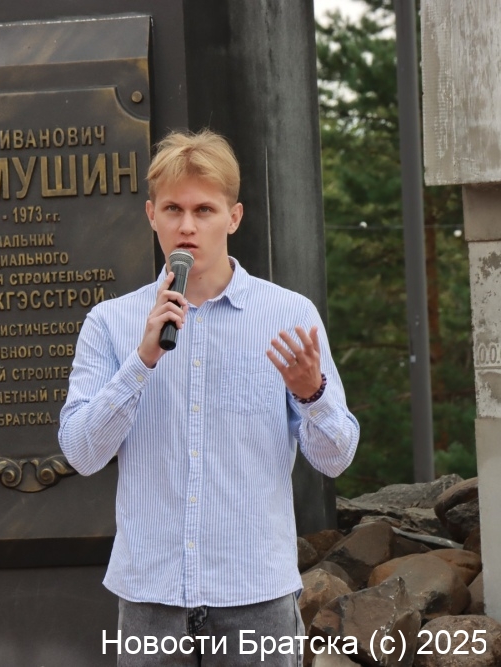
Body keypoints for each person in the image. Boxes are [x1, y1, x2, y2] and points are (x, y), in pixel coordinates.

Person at [58, 130, 359, 666]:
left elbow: (335, 457)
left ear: (233, 217)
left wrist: (311, 394)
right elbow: (81, 454)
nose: (187, 226)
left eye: (204, 209)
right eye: (173, 209)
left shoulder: (288, 315)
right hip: (150, 598)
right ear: (151, 215)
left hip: (256, 596)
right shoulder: (111, 323)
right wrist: (142, 361)